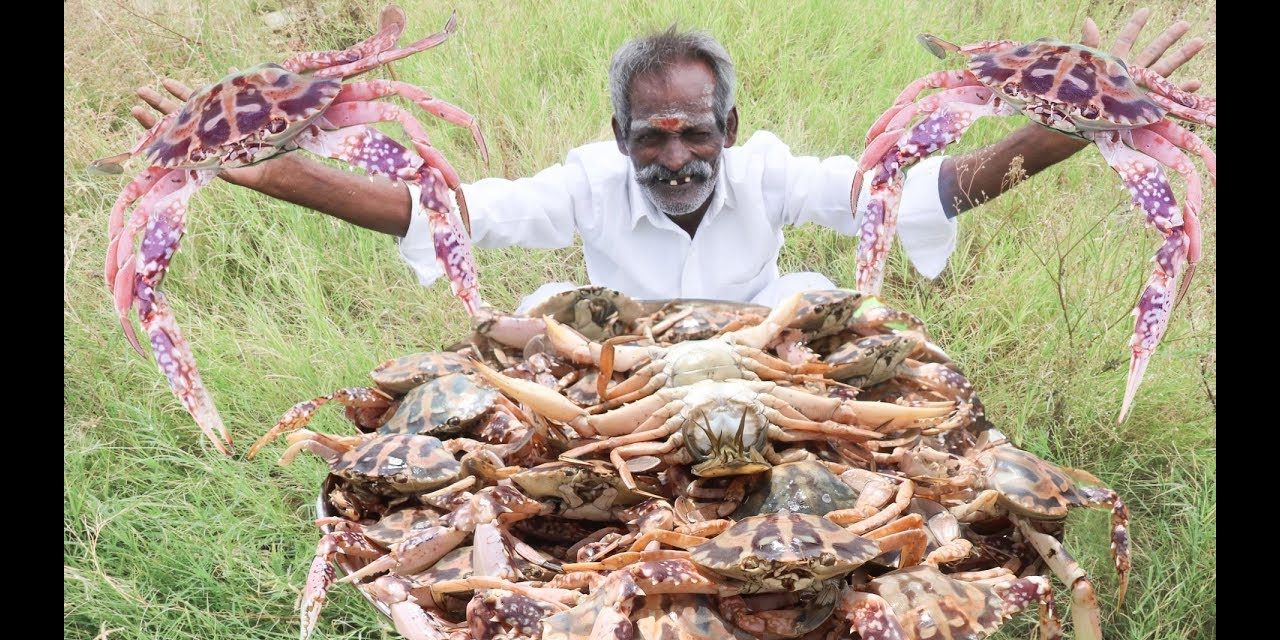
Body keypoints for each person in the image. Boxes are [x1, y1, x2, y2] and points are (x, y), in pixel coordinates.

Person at [131, 9, 1206, 312]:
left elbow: (931, 189)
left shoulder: (767, 172)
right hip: (622, 372)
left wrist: (1075, 120)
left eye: (696, 131)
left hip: (767, 361)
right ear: (619, 141)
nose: (676, 153)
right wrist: (279, 173)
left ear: (728, 131)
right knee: (540, 311)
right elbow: (451, 215)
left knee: (832, 300)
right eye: (652, 135)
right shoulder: (587, 184)